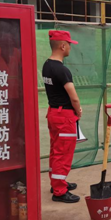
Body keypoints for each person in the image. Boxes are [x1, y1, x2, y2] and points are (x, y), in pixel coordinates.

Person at [42, 30, 82, 203]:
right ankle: (59, 191)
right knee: (63, 153)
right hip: (64, 116)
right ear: (63, 46)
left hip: (53, 113)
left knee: (55, 151)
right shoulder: (62, 70)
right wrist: (78, 110)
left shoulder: (47, 65)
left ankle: (57, 182)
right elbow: (74, 97)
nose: (70, 48)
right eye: (69, 45)